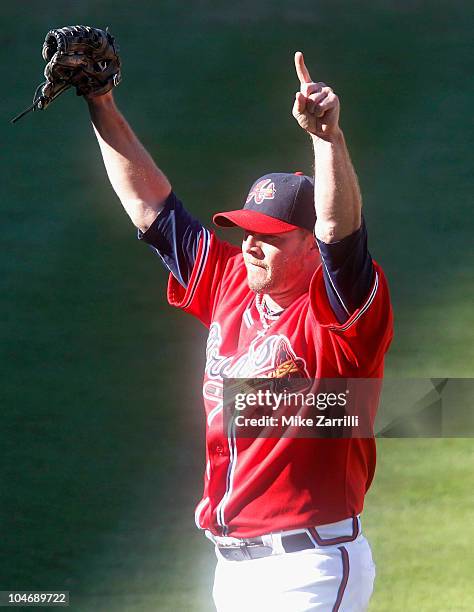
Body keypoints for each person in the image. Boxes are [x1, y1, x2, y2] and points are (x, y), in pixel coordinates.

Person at [86, 51, 393, 611]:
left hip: (310, 569)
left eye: (270, 236)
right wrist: (100, 101)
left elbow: (341, 233)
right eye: (245, 230)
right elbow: (149, 205)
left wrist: (328, 140)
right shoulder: (229, 282)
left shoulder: (341, 313)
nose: (249, 244)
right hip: (232, 571)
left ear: (310, 248)